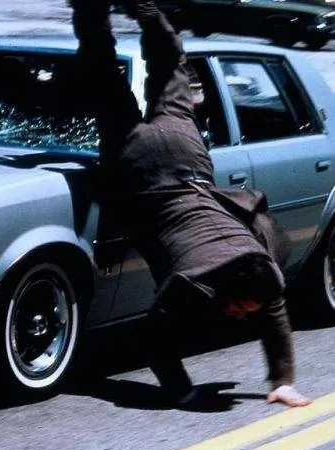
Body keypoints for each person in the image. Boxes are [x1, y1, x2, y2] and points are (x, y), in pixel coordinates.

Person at [69, 0, 311, 408]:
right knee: (103, 72)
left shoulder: (262, 268)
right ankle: (90, 10)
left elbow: (273, 309)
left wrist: (284, 380)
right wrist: (182, 392)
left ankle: (148, 13)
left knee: (172, 67)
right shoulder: (193, 283)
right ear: (222, 287)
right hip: (140, 167)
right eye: (241, 307)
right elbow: (152, 338)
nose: (243, 316)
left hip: (186, 152)